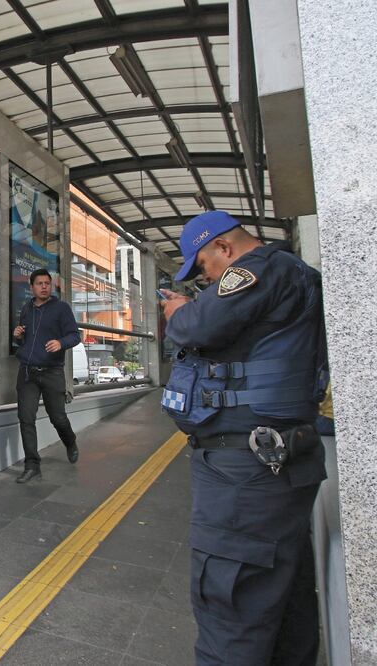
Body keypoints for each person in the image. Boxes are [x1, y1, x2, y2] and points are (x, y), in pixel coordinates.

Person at [158, 211, 326, 665]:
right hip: (280, 460)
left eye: (205, 268)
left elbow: (197, 328)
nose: (207, 279)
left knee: (230, 606)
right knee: (284, 599)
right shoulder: (295, 274)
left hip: (245, 474)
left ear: (225, 249)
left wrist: (179, 311)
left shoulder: (257, 271)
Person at [13, 269, 80, 483]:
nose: (44, 286)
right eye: (40, 283)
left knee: (57, 417)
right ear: (31, 287)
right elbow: (24, 342)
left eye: (47, 283)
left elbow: (75, 336)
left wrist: (61, 342)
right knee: (26, 418)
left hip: (52, 372)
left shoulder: (61, 308)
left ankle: (70, 441)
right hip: (27, 372)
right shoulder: (26, 309)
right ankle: (32, 465)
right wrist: (18, 337)